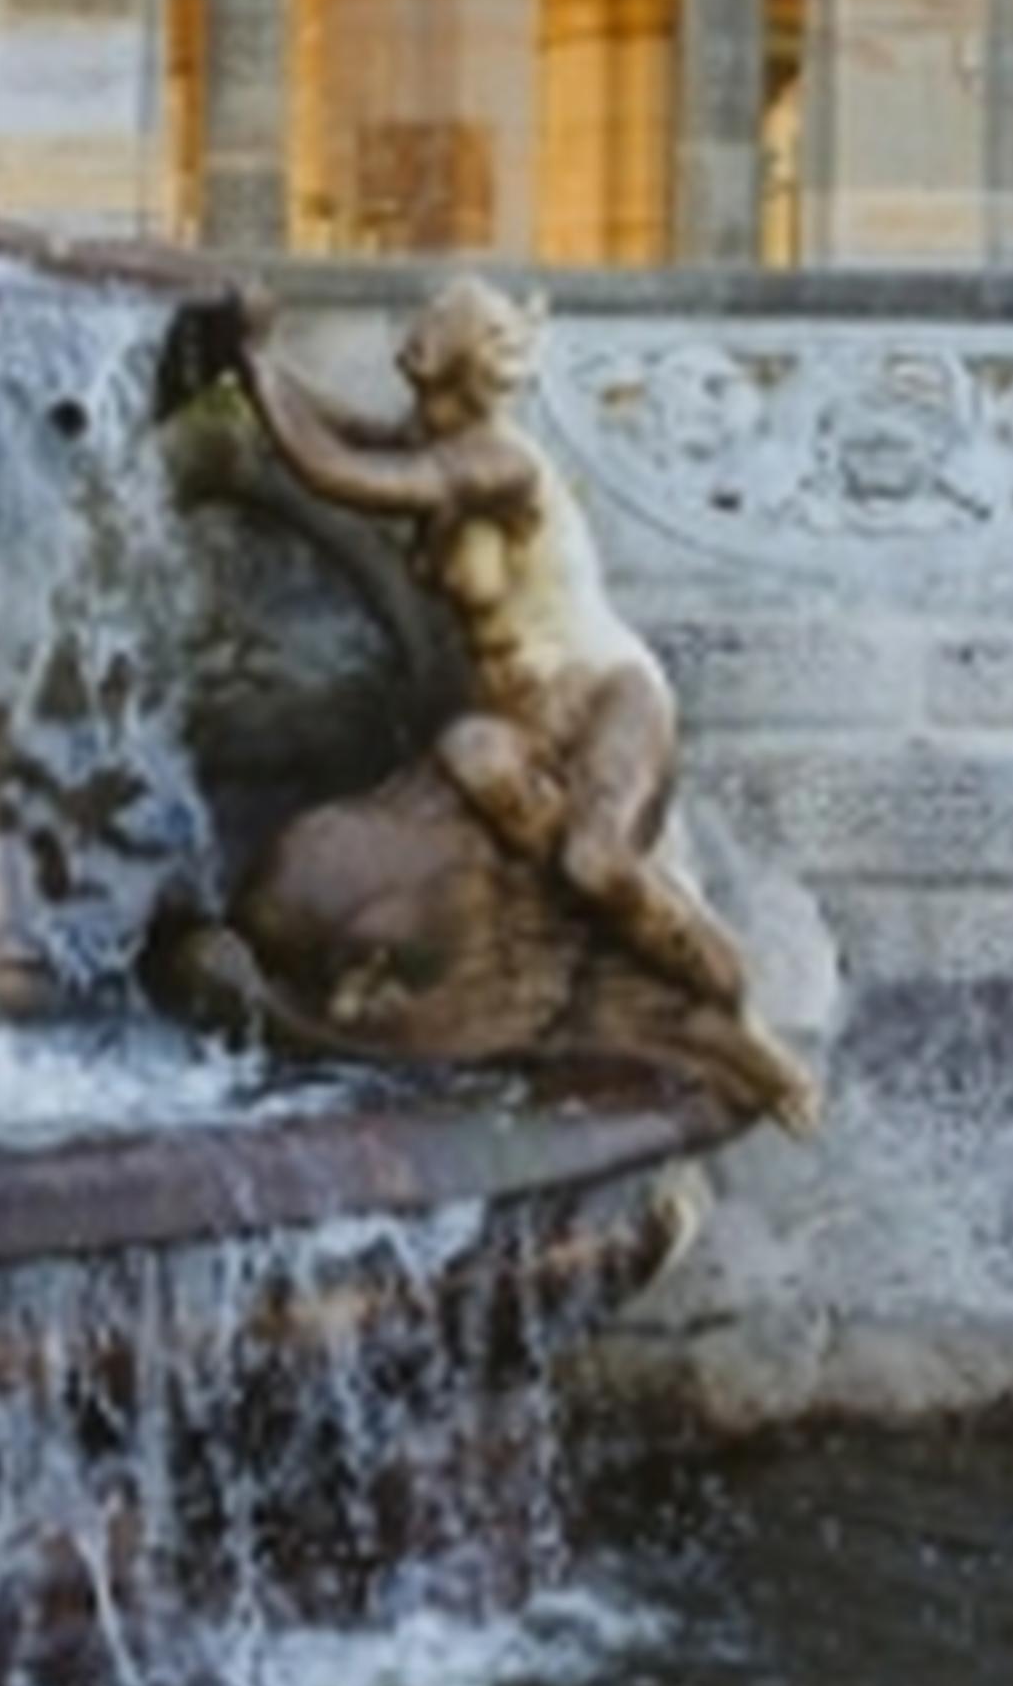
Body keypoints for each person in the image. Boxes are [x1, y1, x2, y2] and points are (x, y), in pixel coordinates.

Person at [230, 276, 817, 1129]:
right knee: (491, 782)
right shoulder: (439, 437)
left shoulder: (492, 461)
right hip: (526, 721)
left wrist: (250, 361)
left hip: (608, 700)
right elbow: (346, 431)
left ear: (446, 361)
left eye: (431, 334)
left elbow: (336, 471)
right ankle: (576, 990)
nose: (411, 344)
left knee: (596, 863)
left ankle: (736, 1010)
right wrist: (257, 364)